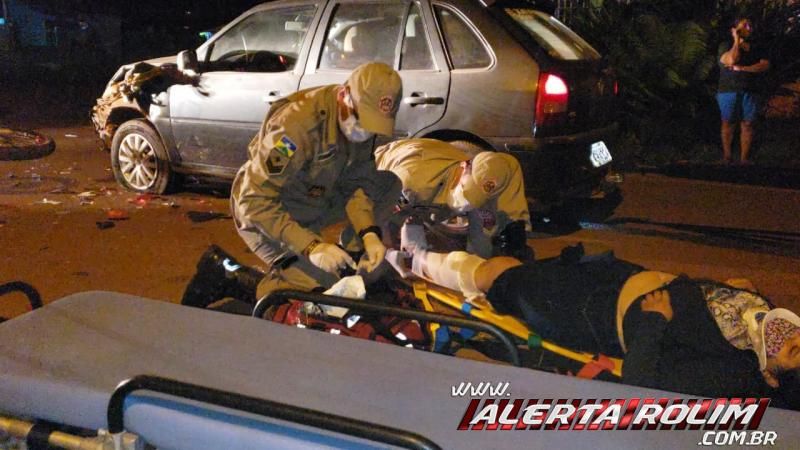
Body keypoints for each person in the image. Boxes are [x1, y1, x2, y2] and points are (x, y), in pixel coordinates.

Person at [387, 228, 800, 406]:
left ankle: (414, 261)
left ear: (771, 378)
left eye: (794, 351)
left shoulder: (730, 378)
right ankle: (430, 266)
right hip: (616, 281)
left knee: (500, 275)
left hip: (591, 310)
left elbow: (642, 383)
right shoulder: (757, 330)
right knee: (507, 271)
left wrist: (655, 321)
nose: (792, 336)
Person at [183, 62, 403, 308]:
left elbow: (358, 183)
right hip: (269, 214)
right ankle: (227, 275)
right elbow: (254, 200)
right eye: (361, 120)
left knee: (388, 184)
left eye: (372, 126)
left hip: (317, 200)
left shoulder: (357, 122)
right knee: (321, 295)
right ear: (343, 95)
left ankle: (349, 260)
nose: (364, 133)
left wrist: (368, 233)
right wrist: (312, 247)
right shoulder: (296, 127)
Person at [374, 138, 532, 260]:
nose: (466, 206)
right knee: (387, 251)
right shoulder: (408, 184)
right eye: (465, 194)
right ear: (464, 167)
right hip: (388, 165)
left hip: (433, 163)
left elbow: (481, 234)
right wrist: (391, 255)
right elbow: (383, 225)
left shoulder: (498, 170)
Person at [717, 17, 770, 164]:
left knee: (748, 123)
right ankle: (727, 157)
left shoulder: (757, 47)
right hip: (729, 90)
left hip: (751, 90)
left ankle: (744, 159)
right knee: (728, 122)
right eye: (744, 26)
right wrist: (736, 41)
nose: (748, 28)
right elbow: (732, 60)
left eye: (750, 25)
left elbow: (764, 65)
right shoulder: (726, 45)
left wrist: (743, 69)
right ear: (734, 29)